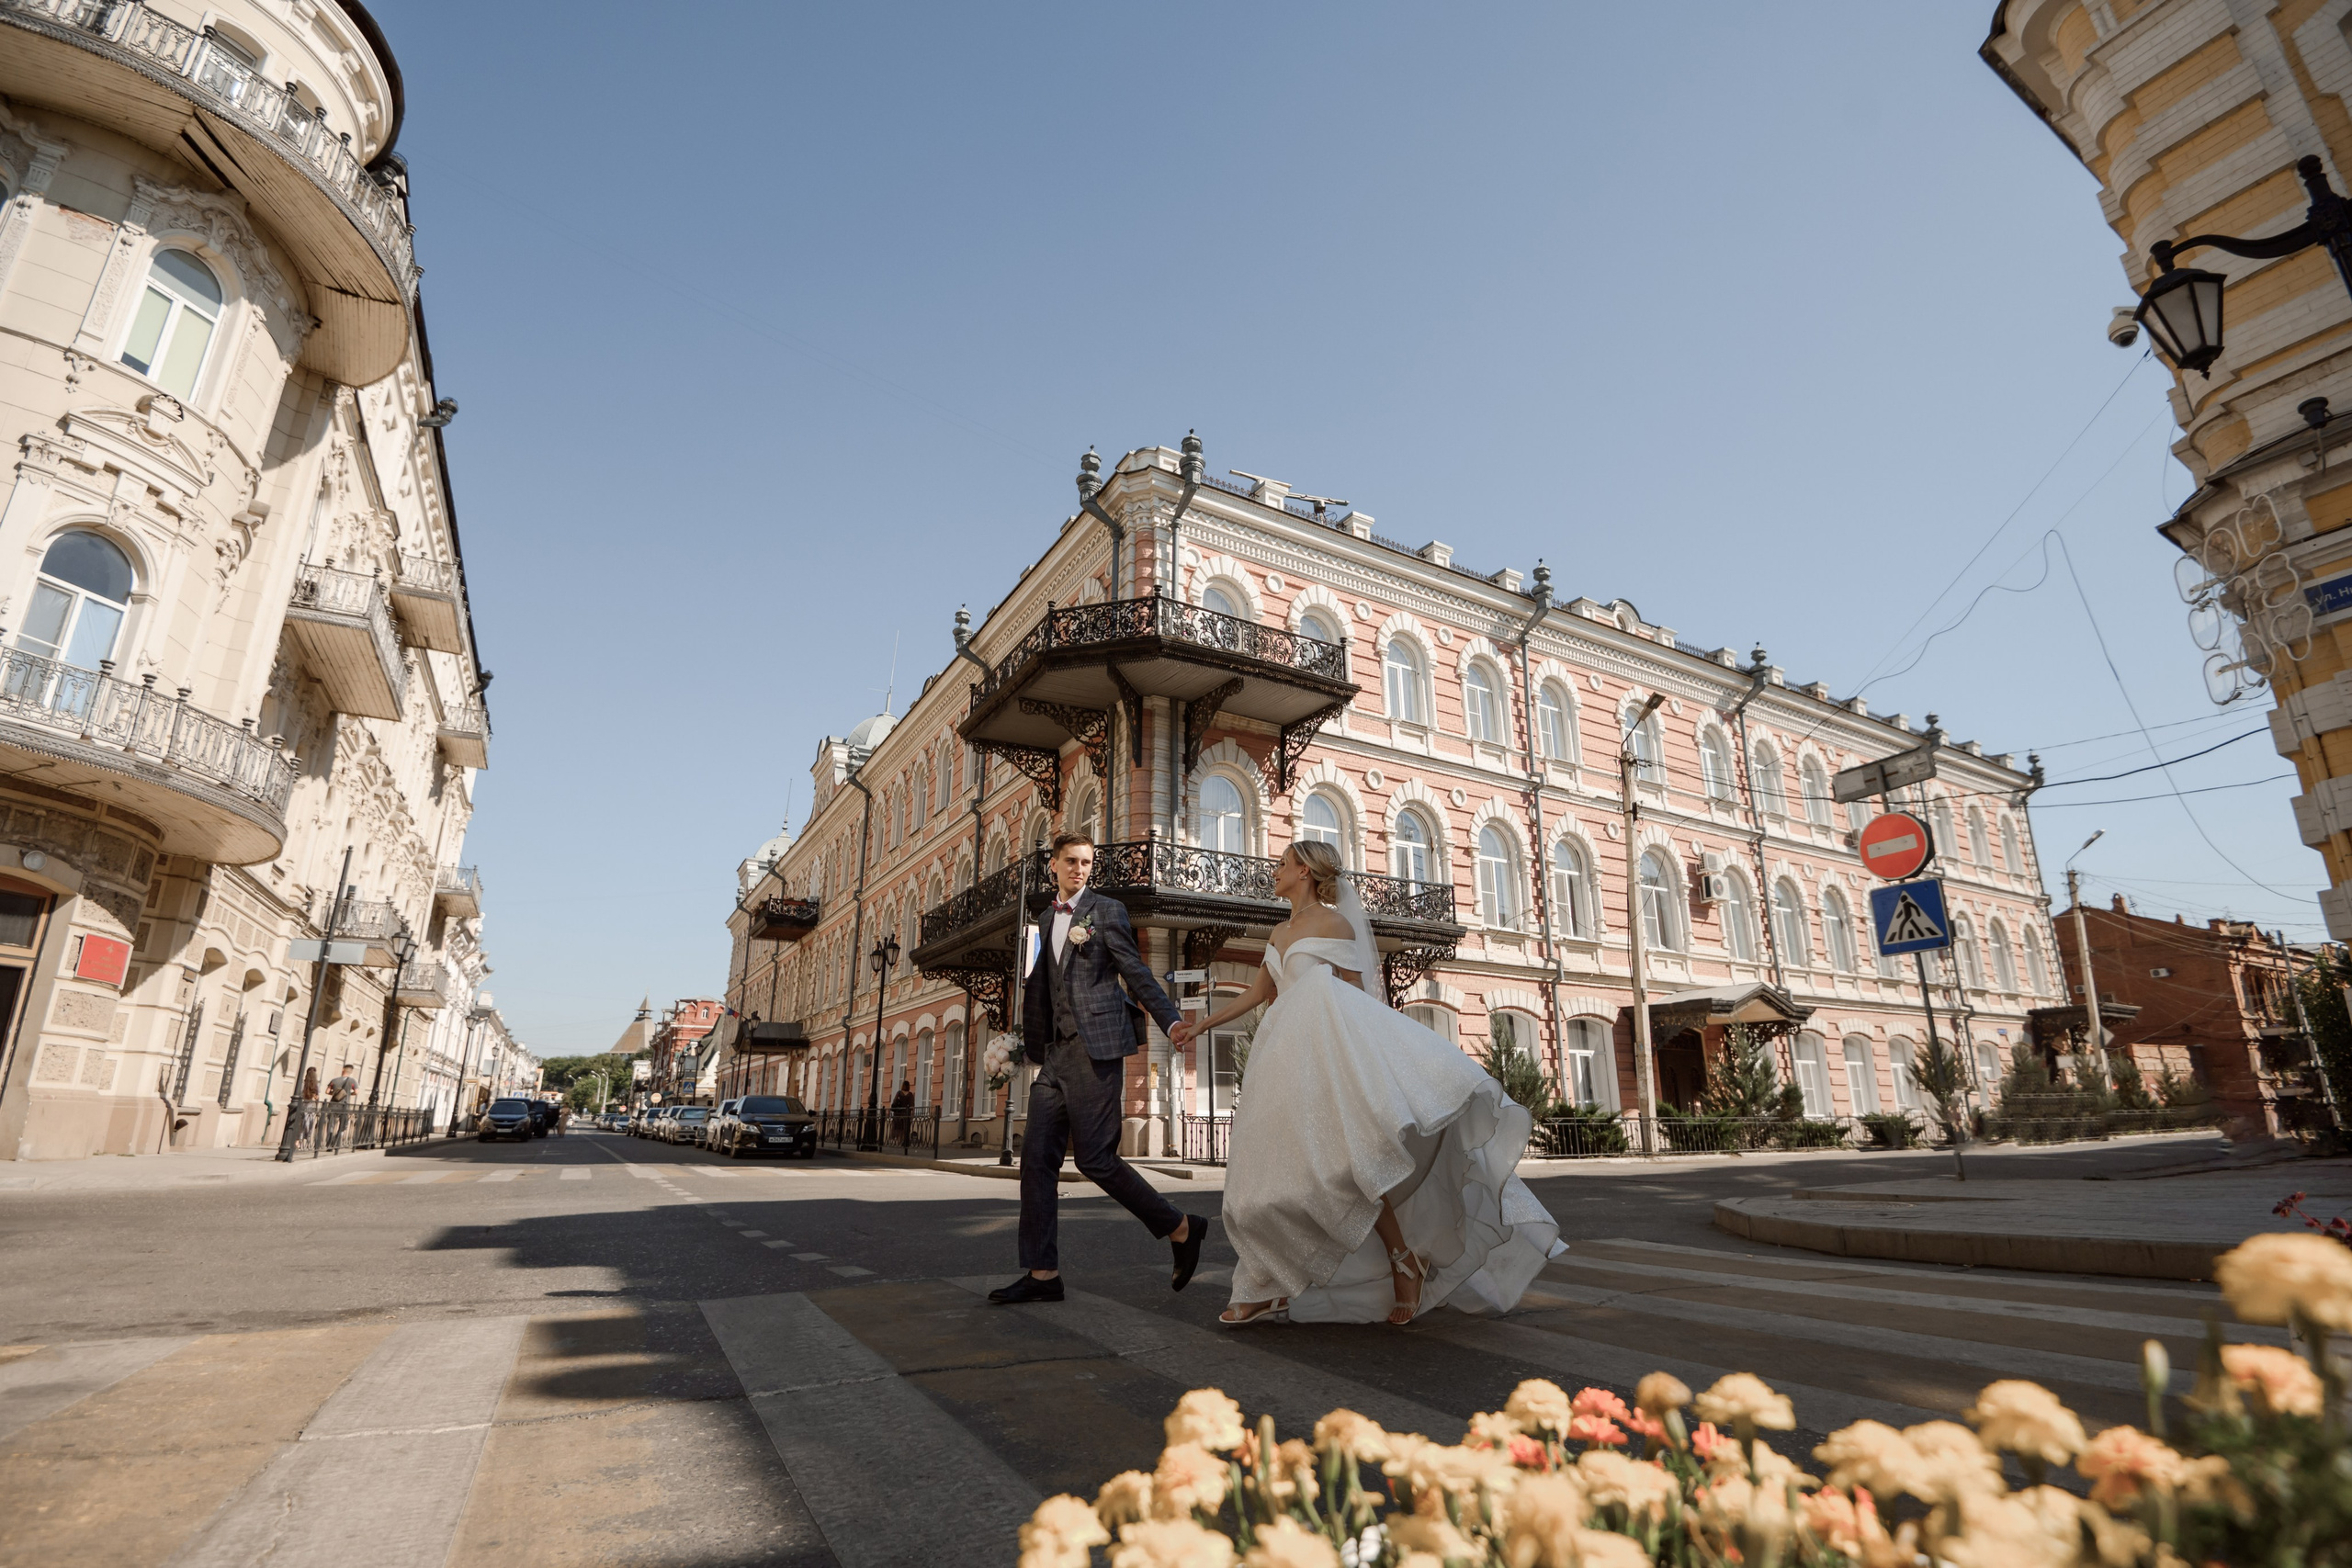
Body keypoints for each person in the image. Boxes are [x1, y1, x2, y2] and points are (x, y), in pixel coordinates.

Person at [1173, 840, 1563, 1326]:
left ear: (1305, 871)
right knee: (1265, 1179)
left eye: (1282, 864)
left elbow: (1355, 998)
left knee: (1346, 1166)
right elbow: (1257, 994)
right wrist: (1201, 1026)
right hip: (1279, 1062)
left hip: (1324, 1062)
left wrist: (1372, 1070)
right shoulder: (1277, 931)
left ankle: (1403, 1258)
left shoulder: (1335, 924)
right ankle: (1264, 1282)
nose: (1274, 871)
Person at [989, 831, 1209, 1305]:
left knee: (1095, 1159)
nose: (1080, 869)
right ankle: (1043, 1274)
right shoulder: (1046, 918)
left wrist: (1170, 1021)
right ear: (1054, 864)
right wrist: (1025, 1046)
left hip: (1097, 1050)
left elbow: (1136, 973)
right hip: (1054, 1057)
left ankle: (1181, 1227)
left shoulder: (1107, 911)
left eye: (1087, 862)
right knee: (1036, 1161)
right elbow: (1041, 990)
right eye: (1071, 861)